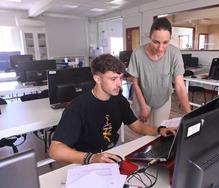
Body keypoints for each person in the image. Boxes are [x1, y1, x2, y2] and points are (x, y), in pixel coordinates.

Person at [49, 54, 177, 165]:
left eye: (120, 78)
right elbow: (55, 150)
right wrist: (92, 158)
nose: (119, 84)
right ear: (97, 79)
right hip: (85, 159)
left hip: (112, 153)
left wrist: (160, 130)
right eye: (113, 79)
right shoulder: (77, 107)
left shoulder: (119, 100)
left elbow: (137, 126)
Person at [127, 17, 191, 126]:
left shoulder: (175, 53)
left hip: (163, 99)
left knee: (160, 131)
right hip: (142, 98)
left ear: (170, 39)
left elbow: (180, 86)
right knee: (144, 133)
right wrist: (143, 106)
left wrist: (189, 115)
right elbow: (135, 83)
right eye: (156, 42)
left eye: (165, 42)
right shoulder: (137, 53)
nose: (160, 48)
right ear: (150, 37)